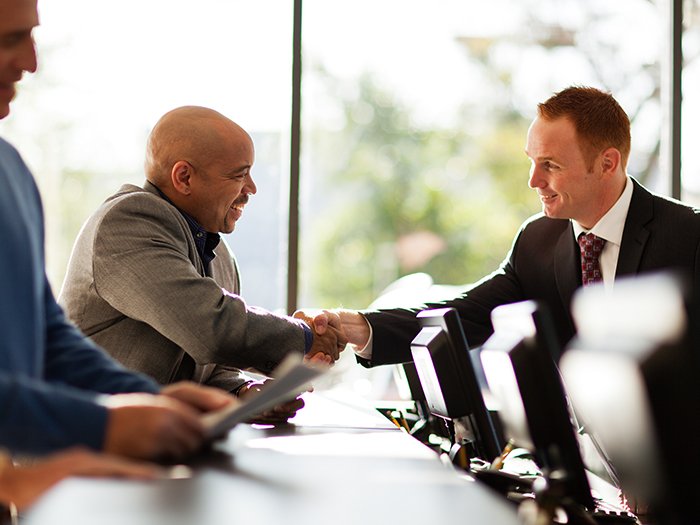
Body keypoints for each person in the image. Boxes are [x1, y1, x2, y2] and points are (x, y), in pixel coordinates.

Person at [300, 86, 700, 367]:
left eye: (551, 165)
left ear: (607, 163)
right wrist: (355, 324)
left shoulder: (690, 237)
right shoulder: (538, 241)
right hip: (582, 458)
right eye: (532, 161)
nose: (534, 180)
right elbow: (463, 314)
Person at [0, 0, 236, 461]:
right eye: (9, 39)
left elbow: (47, 336)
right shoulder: (130, 219)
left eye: (32, 37)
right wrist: (104, 424)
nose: (31, 62)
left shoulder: (11, 171)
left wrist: (148, 401)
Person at [59, 105, 343, 402]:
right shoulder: (127, 220)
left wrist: (245, 393)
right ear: (184, 177)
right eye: (240, 175)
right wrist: (306, 336)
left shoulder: (219, 253)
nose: (252, 188)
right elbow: (211, 328)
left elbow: (212, 367)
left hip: (158, 427)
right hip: (85, 427)